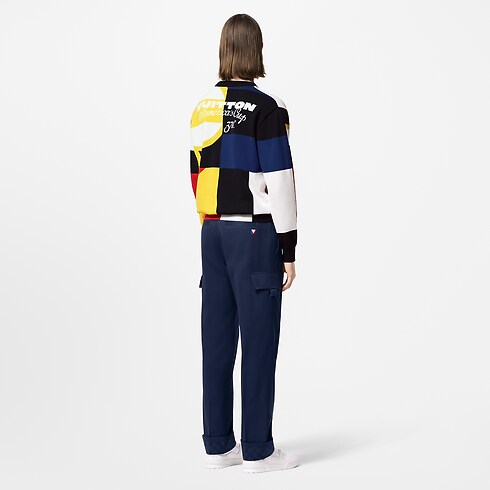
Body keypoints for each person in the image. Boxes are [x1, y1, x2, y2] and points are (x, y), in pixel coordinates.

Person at [189, 13, 299, 473]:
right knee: (258, 342)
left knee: (216, 341)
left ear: (223, 50)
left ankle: (219, 446)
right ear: (257, 50)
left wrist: (211, 223)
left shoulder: (202, 108)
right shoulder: (268, 108)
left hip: (212, 232)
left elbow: (196, 174)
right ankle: (258, 450)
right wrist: (288, 248)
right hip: (254, 234)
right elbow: (280, 180)